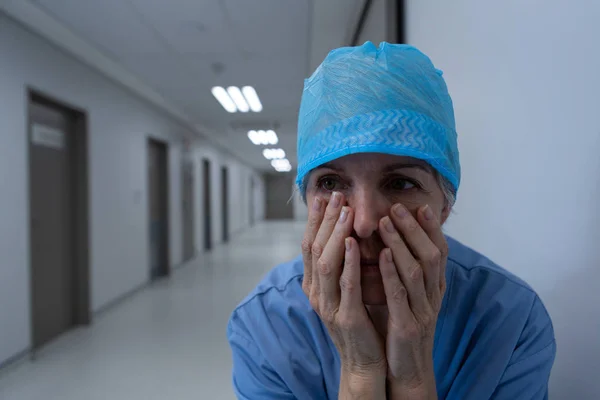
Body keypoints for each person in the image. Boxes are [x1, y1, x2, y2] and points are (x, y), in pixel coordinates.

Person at [227, 42, 556, 399]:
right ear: (307, 200)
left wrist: (413, 377)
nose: (365, 222)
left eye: (401, 183)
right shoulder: (266, 327)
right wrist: (360, 369)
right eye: (331, 183)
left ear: (444, 204)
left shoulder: (511, 323)